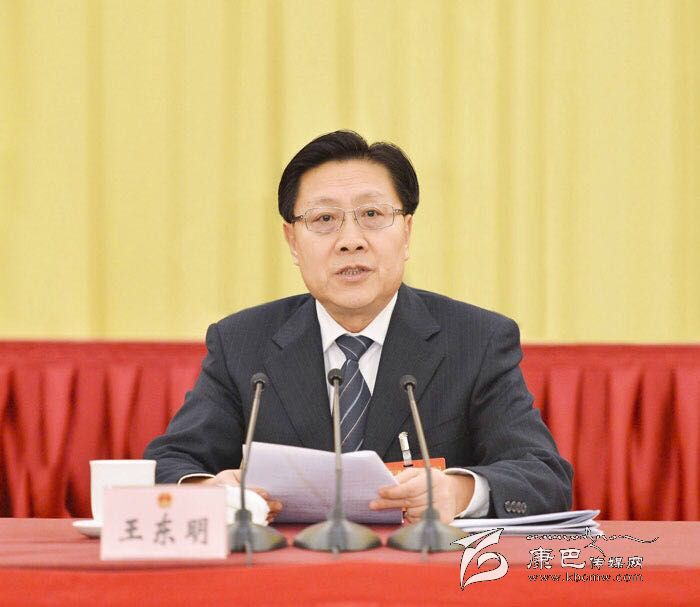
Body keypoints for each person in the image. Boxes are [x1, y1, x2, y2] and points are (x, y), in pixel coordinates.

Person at [144, 130, 573, 523]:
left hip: (420, 572)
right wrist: (208, 491)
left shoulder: (476, 340)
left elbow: (543, 476)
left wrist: (459, 492)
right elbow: (169, 463)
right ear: (293, 242)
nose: (351, 240)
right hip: (289, 571)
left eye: (371, 213)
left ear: (406, 232)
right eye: (324, 220)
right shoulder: (242, 343)